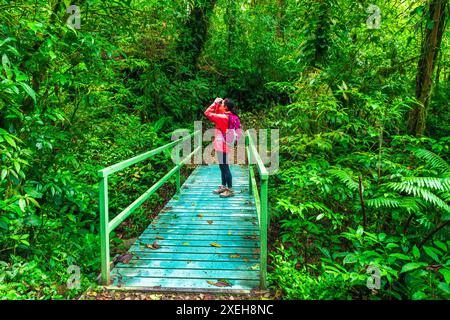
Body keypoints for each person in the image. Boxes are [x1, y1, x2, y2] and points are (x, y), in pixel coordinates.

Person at [204, 97, 238, 198]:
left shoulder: (223, 118)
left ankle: (230, 189)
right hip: (225, 143)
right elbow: (218, 111)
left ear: (226, 107)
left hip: (222, 144)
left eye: (222, 103)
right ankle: (223, 186)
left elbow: (207, 113)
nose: (220, 104)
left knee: (224, 167)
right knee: (222, 166)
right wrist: (219, 104)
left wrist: (214, 103)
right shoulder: (229, 115)